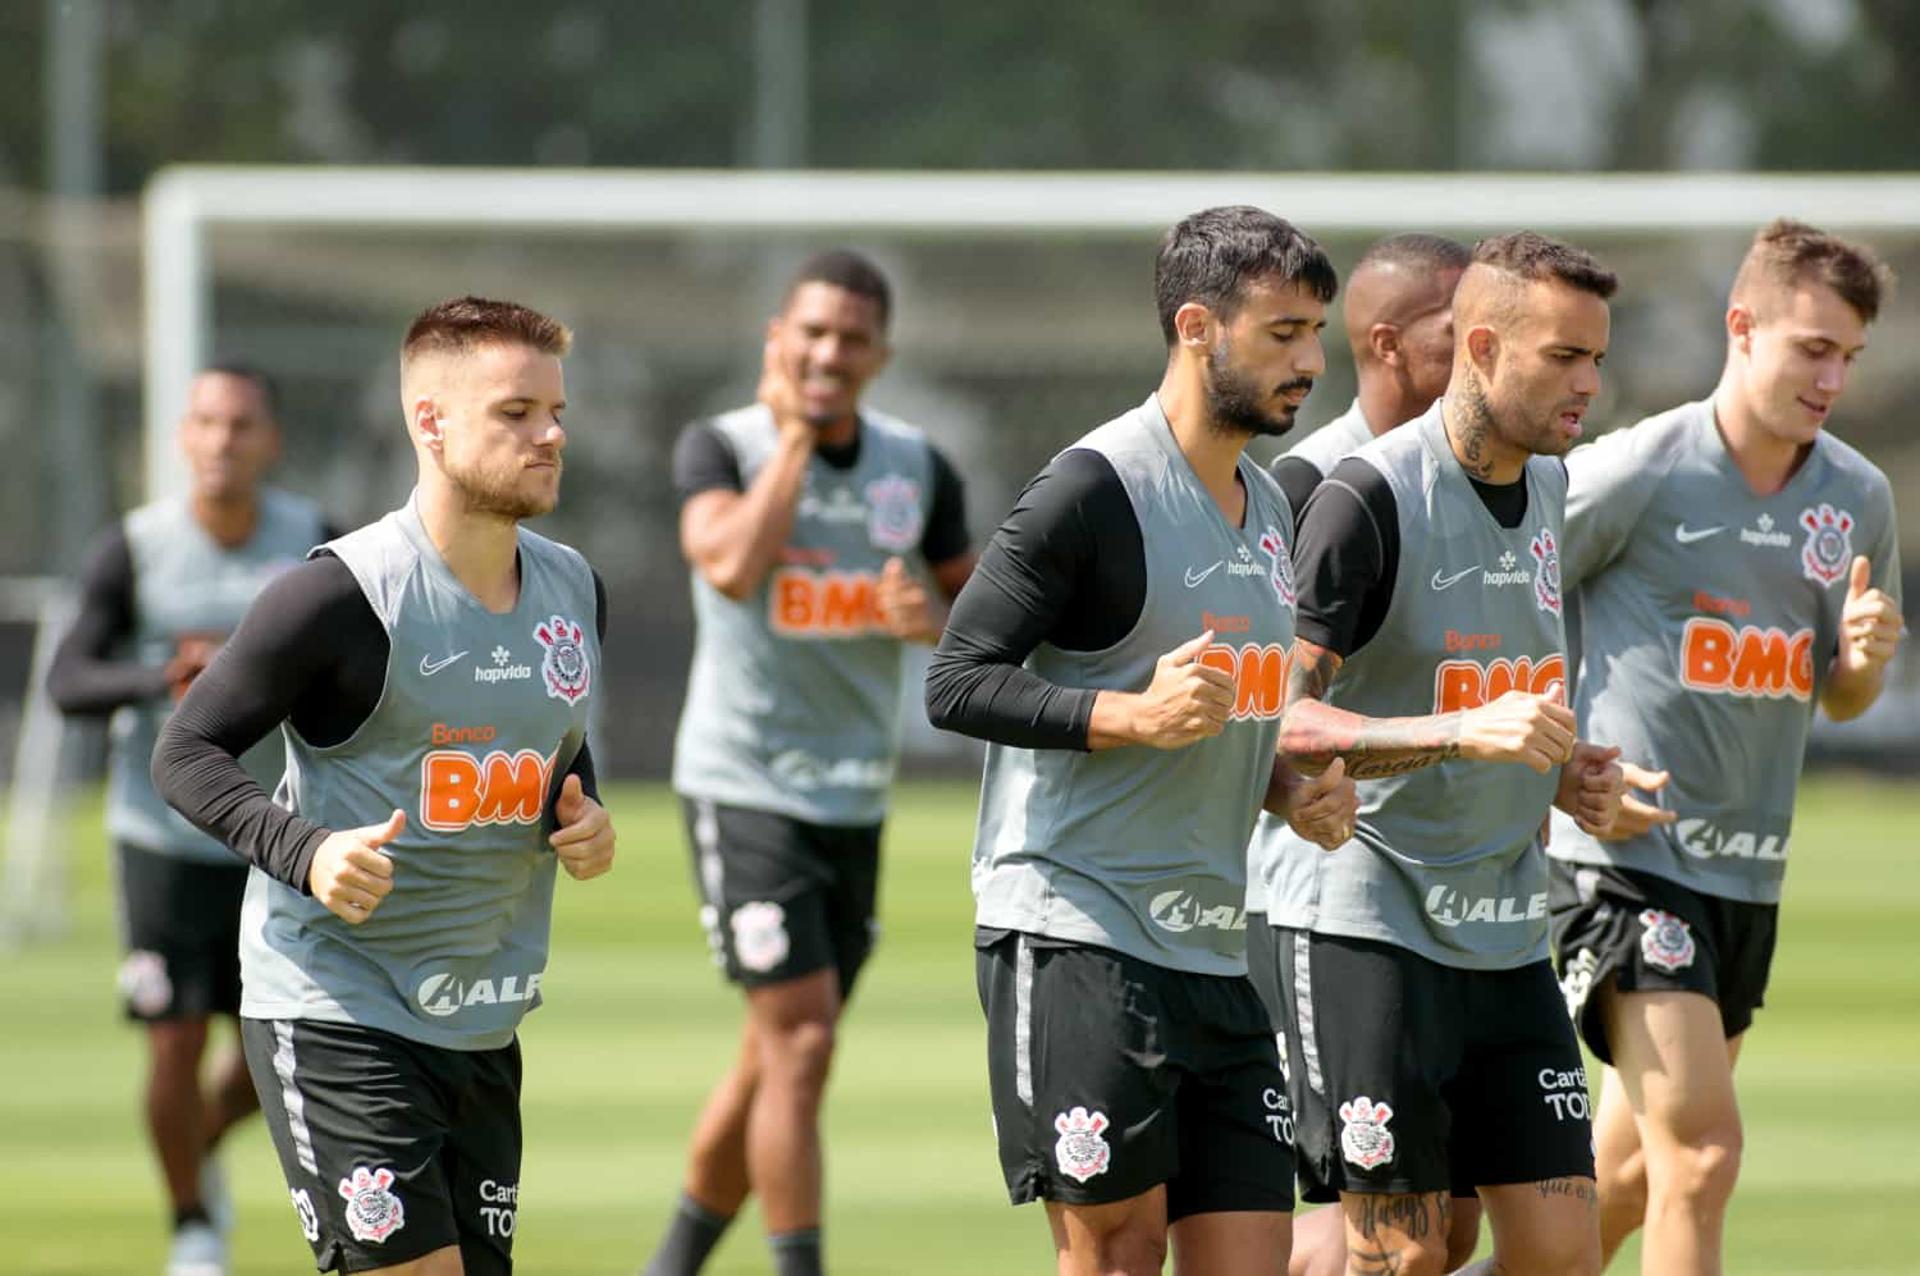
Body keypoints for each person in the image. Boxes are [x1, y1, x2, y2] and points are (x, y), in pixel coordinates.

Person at [925, 205, 1357, 1276]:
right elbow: (956, 679)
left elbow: (1220, 713)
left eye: (1317, 333)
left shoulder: (1269, 505)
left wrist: (1283, 784)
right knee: (1118, 1255)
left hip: (1214, 952)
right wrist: (1130, 716)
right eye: (1284, 333)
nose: (1310, 362)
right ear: (1199, 327)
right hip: (1079, 935)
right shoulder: (1092, 490)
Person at [153, 296, 615, 1276]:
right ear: (430, 421)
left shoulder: (575, 587)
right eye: (516, 412)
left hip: (482, 1016)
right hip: (337, 1009)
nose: (550, 435)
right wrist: (306, 849)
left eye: (556, 411)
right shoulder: (337, 597)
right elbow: (185, 752)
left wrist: (585, 814)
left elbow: (554, 746)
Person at [1259, 232, 1636, 1276]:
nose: (1590, 384)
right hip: (1364, 930)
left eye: (1598, 358)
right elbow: (1279, 725)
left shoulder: (1552, 495)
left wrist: (1566, 770)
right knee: (1400, 1255)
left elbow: (1495, 696)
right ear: (1481, 346)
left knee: (1561, 1250)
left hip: (1507, 935)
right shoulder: (1364, 500)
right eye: (1564, 357)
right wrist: (1462, 735)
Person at [1548, 219, 1902, 1275]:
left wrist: (1865, 662)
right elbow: (1500, 591)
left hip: (1747, 878)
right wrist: (1555, 763)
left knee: (1625, 1187)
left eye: (1848, 355)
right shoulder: (1640, 472)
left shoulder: (1856, 499)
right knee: (1702, 1156)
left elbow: (1838, 698)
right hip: (1627, 868)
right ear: (1741, 327)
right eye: (1812, 347)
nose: (1832, 375)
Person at [642, 250, 974, 1276]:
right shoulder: (723, 446)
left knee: (775, 1059)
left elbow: (985, 624)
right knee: (803, 1045)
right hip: (745, 784)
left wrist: (937, 621)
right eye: (813, 333)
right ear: (776, 341)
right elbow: (735, 565)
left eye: (852, 338)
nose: (830, 352)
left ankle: (669, 1265)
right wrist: (791, 439)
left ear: (881, 355)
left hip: (854, 796)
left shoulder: (919, 469)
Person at [47, 364, 330, 1276]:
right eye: (205, 422)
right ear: (182, 436)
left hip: (276, 834)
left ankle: (196, 1146)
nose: (221, 441)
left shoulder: (316, 543)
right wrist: (164, 677)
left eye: (241, 424)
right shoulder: (135, 548)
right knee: (174, 1038)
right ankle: (192, 1229)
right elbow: (67, 681)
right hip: (161, 835)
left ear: (270, 440)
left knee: (272, 1042)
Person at [1248, 232, 1480, 1276]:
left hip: (1458, 907)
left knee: (1448, 1230)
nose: (1490, 348)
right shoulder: (1305, 488)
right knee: (1387, 1235)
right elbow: (1271, 709)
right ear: (1388, 344)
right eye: (1459, 329)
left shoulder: (1488, 487)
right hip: (1328, 900)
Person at [1270, 232, 1471, 515]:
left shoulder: (1506, 473)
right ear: (1389, 345)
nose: (1484, 346)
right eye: (1462, 326)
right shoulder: (1308, 482)